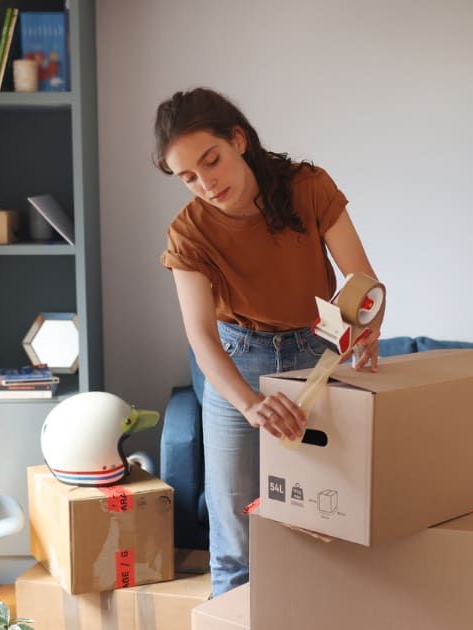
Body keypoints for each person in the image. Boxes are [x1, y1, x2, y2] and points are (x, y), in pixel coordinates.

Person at [155, 87, 379, 596]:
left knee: (329, 518)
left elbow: (360, 280)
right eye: (188, 177)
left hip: (316, 351)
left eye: (211, 161)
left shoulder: (308, 187)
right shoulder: (188, 233)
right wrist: (249, 404)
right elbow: (201, 336)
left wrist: (368, 324)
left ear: (238, 140)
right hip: (237, 361)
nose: (206, 184)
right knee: (235, 538)